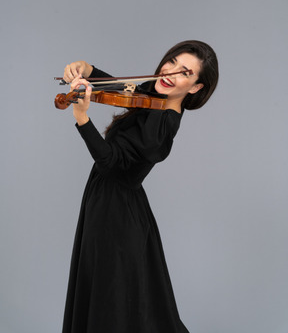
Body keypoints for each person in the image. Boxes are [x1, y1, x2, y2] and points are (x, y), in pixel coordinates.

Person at [61, 40, 219, 333]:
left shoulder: (162, 129)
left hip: (117, 214)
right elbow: (118, 86)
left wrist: (82, 119)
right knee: (105, 289)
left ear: (195, 87)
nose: (170, 72)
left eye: (185, 73)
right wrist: (85, 68)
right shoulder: (153, 90)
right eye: (172, 61)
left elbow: (112, 163)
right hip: (107, 201)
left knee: (113, 300)